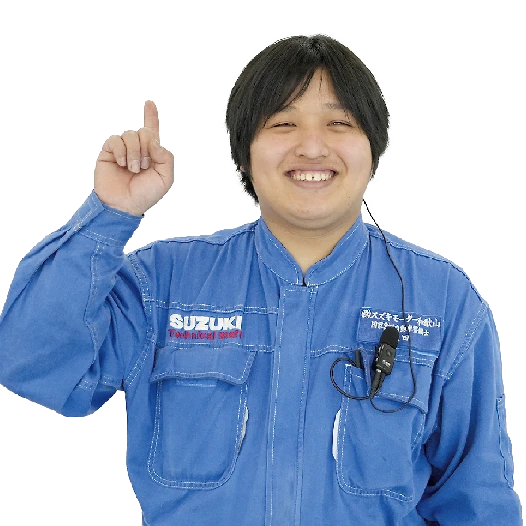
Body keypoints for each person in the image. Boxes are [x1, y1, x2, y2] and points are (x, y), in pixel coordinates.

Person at [0, 32, 522, 525]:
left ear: (374, 148)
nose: (312, 147)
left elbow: (477, 497)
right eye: (283, 123)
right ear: (244, 152)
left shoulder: (442, 301)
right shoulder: (162, 283)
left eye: (340, 123)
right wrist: (109, 214)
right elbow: (34, 365)